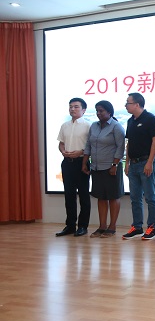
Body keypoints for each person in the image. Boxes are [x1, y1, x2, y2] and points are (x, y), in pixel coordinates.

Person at [82, 100, 125, 238]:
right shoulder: (94, 126)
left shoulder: (116, 126)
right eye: (97, 111)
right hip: (96, 167)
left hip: (111, 167)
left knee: (113, 197)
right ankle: (102, 226)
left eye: (101, 111)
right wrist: (84, 162)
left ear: (109, 112)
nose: (98, 113)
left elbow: (120, 147)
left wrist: (114, 165)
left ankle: (112, 227)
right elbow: (88, 145)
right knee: (101, 197)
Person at [122, 92, 155, 240]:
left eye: (128, 102)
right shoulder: (130, 121)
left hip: (146, 162)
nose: (126, 105)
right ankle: (137, 227)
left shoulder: (150, 119)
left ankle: (152, 227)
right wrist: (127, 163)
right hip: (133, 164)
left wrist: (150, 162)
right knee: (135, 198)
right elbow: (129, 143)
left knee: (150, 197)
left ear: (137, 104)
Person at [56, 97, 91, 237]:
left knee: (83, 195)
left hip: (82, 162)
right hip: (67, 163)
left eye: (76, 106)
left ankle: (83, 226)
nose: (72, 109)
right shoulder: (65, 125)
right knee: (69, 195)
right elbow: (61, 143)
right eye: (70, 106)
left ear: (84, 110)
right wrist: (63, 151)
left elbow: (91, 146)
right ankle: (70, 225)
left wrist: (80, 152)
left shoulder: (88, 126)